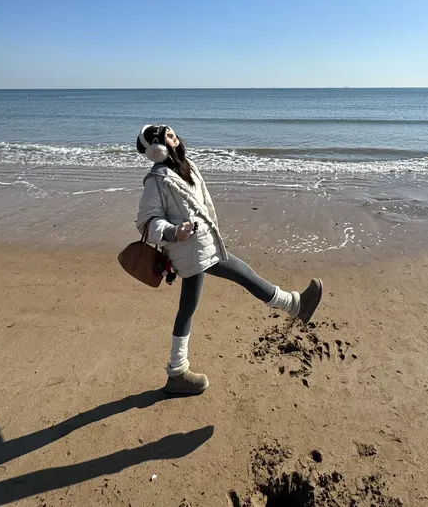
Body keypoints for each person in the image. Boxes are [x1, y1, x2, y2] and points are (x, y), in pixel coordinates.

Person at [135, 124, 323, 395]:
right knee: (243, 273)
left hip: (201, 245)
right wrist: (175, 232)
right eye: (167, 138)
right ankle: (294, 305)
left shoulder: (186, 166)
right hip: (190, 249)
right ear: (157, 149)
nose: (174, 139)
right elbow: (146, 222)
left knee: (188, 307)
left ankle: (177, 372)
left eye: (173, 134)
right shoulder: (157, 180)